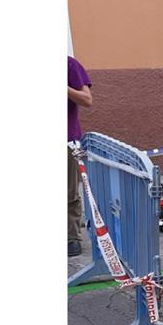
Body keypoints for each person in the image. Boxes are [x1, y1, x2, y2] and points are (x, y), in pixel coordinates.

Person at [68, 56, 92, 256]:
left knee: (68, 192)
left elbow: (87, 99)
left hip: (66, 140)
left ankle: (72, 238)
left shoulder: (68, 65)